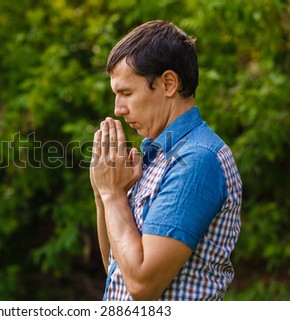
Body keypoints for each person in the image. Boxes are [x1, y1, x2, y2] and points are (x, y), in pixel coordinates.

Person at [90, 20, 242, 300]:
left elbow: (142, 285)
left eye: (126, 93)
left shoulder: (197, 159)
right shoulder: (156, 157)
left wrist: (112, 195)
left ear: (168, 84)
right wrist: (105, 192)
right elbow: (118, 270)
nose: (118, 109)